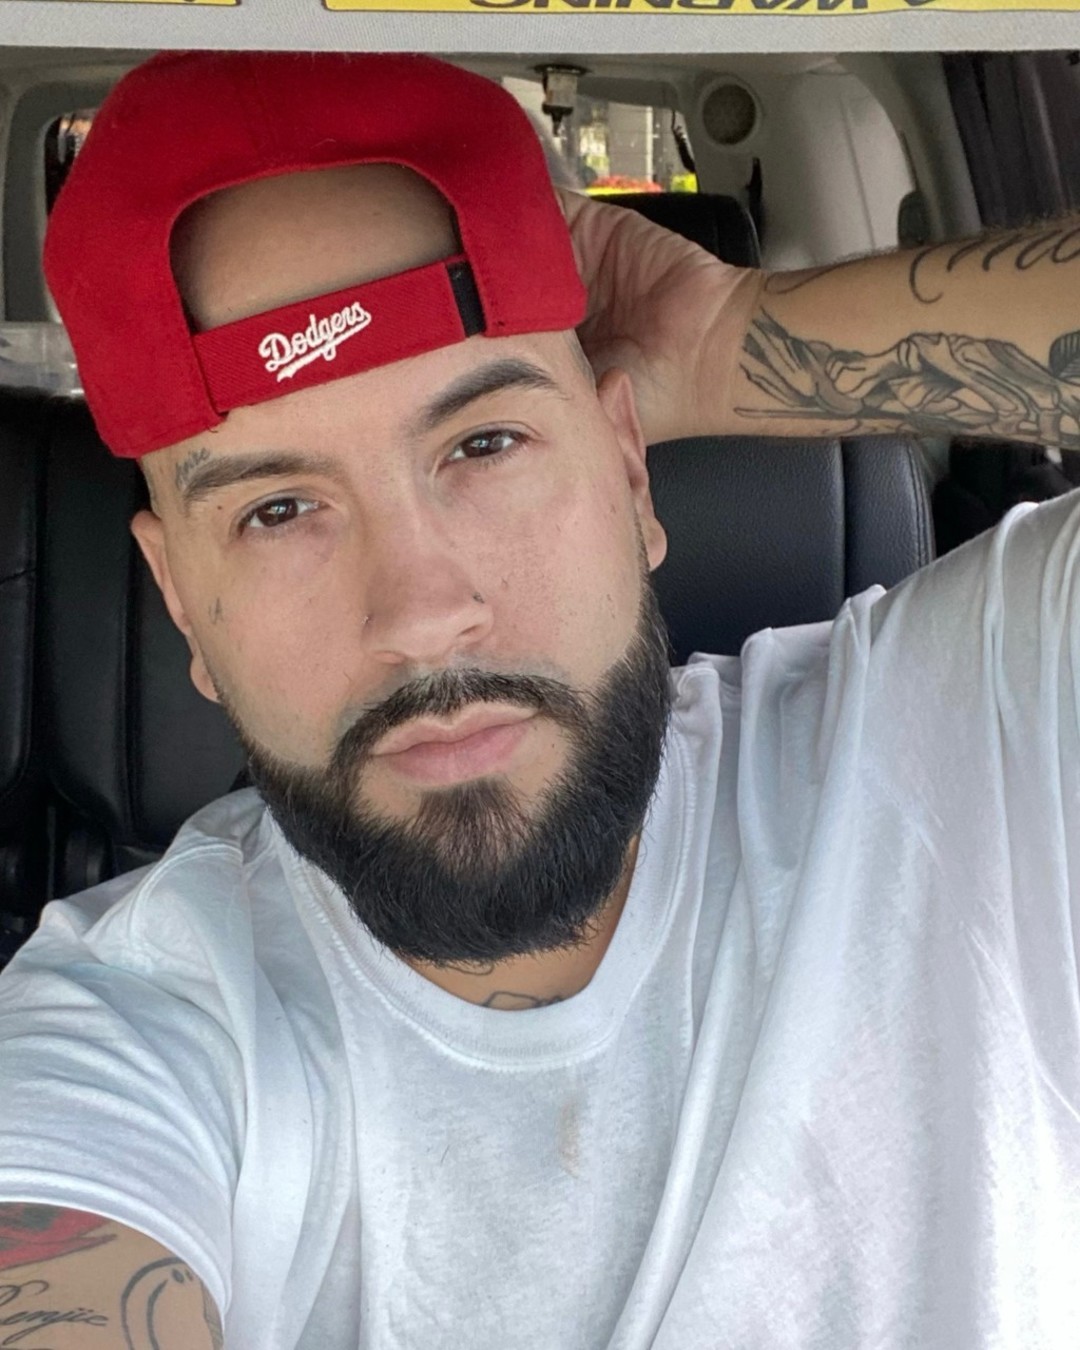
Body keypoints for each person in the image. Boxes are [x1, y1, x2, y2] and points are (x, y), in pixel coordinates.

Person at [0, 47, 1078, 1350]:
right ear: (182, 602)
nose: (421, 613)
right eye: (278, 508)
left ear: (629, 471)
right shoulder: (127, 1034)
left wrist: (729, 341)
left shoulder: (984, 739)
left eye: (485, 442)